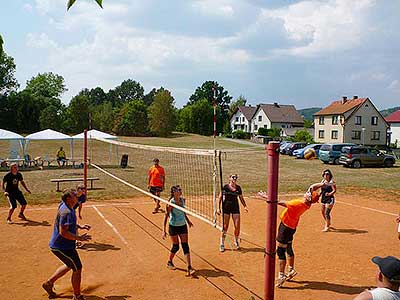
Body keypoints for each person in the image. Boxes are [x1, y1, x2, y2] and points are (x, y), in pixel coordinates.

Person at [258, 182, 324, 288]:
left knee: (280, 251)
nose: (308, 192)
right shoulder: (307, 203)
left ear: (310, 198)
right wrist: (322, 184)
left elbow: (277, 202)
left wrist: (264, 196)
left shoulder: (297, 204)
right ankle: (291, 270)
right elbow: (312, 187)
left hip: (285, 228)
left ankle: (281, 275)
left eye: (310, 194)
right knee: (288, 247)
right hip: (292, 227)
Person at [42, 189, 91, 300]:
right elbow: (63, 232)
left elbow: (68, 224)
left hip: (61, 246)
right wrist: (79, 238)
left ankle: (49, 283)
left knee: (70, 265)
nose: (76, 196)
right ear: (69, 199)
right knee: (77, 268)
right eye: (74, 195)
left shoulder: (66, 206)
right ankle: (77, 296)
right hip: (62, 247)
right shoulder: (67, 212)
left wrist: (80, 226)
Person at [162, 185, 195, 276]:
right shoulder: (171, 203)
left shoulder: (183, 200)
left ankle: (189, 267)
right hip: (173, 226)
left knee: (185, 245)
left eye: (180, 190)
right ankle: (169, 261)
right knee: (176, 246)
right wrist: (164, 230)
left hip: (182, 225)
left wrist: (188, 221)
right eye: (178, 190)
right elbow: (166, 215)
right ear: (173, 192)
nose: (180, 191)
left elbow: (183, 211)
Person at [217, 174, 248, 252]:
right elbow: (220, 197)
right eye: (233, 177)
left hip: (235, 208)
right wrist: (218, 208)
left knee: (237, 226)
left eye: (236, 177)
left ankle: (236, 240)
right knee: (225, 227)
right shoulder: (225, 187)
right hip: (226, 208)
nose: (235, 178)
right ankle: (222, 243)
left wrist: (245, 206)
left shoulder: (238, 188)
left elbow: (241, 198)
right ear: (229, 178)